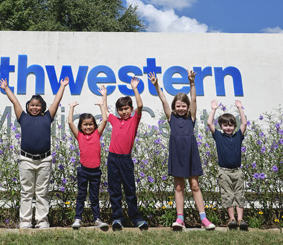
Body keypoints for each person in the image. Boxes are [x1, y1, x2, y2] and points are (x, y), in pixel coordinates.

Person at [0, 76, 69, 229]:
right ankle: (25, 221)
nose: (35, 108)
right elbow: (15, 102)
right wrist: (6, 88)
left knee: (42, 192)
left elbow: (56, 102)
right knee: (26, 192)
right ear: (28, 106)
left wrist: (62, 86)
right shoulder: (22, 117)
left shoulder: (47, 117)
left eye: (38, 105)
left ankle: (42, 220)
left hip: (45, 160)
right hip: (26, 159)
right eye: (32, 105)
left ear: (42, 107)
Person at [149, 70, 215, 230]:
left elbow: (193, 98)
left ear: (188, 107)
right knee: (179, 187)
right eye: (178, 106)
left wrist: (192, 83)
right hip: (177, 154)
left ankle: (203, 219)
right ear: (174, 107)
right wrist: (157, 86)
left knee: (195, 185)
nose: (180, 108)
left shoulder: (191, 118)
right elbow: (163, 100)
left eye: (183, 106)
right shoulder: (171, 118)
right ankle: (180, 219)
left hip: (191, 153)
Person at [100, 78, 149, 231]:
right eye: (121, 109)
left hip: (125, 160)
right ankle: (117, 218)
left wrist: (135, 88)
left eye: (127, 109)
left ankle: (136, 218)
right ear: (118, 111)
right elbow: (106, 114)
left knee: (129, 190)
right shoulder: (115, 120)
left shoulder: (134, 120)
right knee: (114, 190)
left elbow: (140, 105)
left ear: (131, 109)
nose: (124, 112)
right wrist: (104, 95)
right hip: (113, 158)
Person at [68, 87, 109, 231]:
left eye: (91, 124)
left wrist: (102, 102)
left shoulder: (97, 134)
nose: (88, 126)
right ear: (81, 126)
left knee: (94, 197)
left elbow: (105, 119)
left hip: (95, 172)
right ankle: (77, 218)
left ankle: (97, 219)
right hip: (83, 171)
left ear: (94, 125)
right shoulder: (79, 136)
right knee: (81, 195)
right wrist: (72, 108)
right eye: (85, 124)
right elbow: (70, 123)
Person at [207, 100, 248, 231]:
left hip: (237, 171)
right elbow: (209, 123)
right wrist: (213, 109)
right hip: (224, 171)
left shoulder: (238, 136)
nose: (228, 128)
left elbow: (244, 123)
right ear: (221, 126)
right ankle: (232, 219)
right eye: (225, 125)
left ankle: (240, 219)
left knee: (239, 194)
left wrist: (240, 108)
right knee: (227, 195)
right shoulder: (218, 136)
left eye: (230, 125)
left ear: (234, 126)